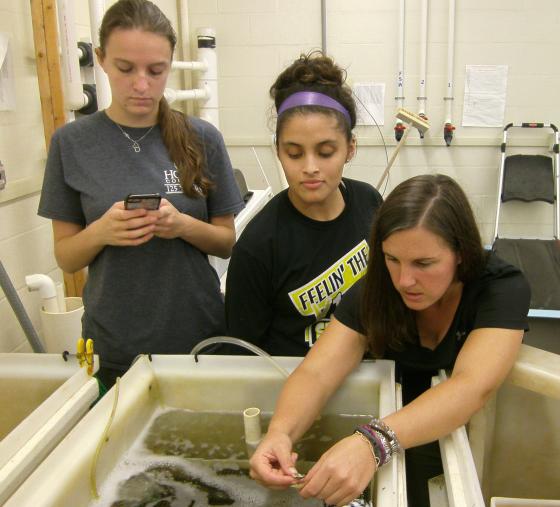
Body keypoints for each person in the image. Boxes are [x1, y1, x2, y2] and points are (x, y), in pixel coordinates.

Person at [249, 174, 530, 507]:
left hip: (452, 431)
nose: (404, 280)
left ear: (461, 253)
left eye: (424, 263)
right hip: (394, 416)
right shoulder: (378, 288)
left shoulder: (501, 288)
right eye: (392, 259)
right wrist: (280, 433)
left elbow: (470, 387)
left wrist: (372, 442)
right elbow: (317, 372)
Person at [38, 0, 244, 388]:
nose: (141, 85)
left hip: (197, 337)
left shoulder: (202, 138)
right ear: (101, 59)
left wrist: (181, 224)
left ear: (169, 64)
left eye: (156, 70)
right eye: (125, 68)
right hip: (114, 344)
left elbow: (226, 242)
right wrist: (102, 232)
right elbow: (66, 257)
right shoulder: (71, 143)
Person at [225, 52, 383, 356]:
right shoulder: (258, 246)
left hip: (370, 376)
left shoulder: (370, 205)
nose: (310, 167)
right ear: (278, 151)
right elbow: (244, 356)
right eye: (294, 154)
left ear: (350, 148)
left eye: (325, 152)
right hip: (295, 384)